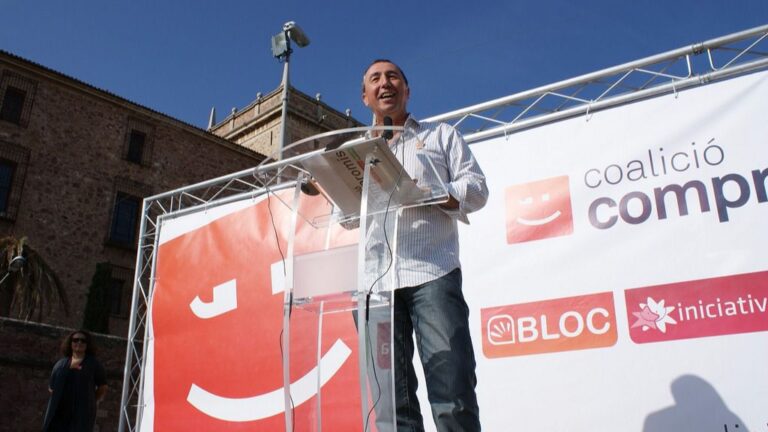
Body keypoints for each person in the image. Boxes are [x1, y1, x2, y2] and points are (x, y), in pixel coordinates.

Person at [361, 59, 488, 431]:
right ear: (365, 97)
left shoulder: (440, 136)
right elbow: (345, 217)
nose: (385, 83)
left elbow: (477, 189)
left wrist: (431, 194)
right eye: (375, 79)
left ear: (407, 90)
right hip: (375, 284)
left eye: (393, 77)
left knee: (453, 393)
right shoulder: (358, 151)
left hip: (432, 272)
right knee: (390, 404)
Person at [42, 330, 108, 432]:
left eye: (83, 341)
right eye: (75, 340)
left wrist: (91, 399)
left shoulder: (94, 365)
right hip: (61, 413)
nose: (79, 343)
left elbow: (102, 387)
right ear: (70, 343)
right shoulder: (60, 365)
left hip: (82, 414)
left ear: (87, 344)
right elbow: (51, 389)